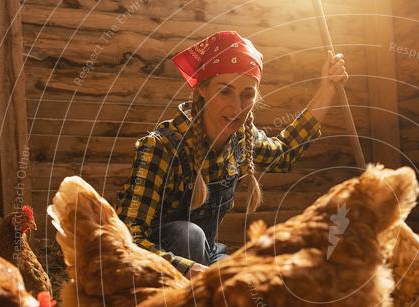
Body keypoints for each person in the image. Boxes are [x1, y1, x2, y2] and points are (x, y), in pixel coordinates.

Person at [115, 31, 348, 277]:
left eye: (247, 95)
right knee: (188, 235)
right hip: (149, 273)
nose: (237, 108)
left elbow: (284, 153)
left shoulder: (240, 140)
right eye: (225, 91)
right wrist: (189, 269)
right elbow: (129, 239)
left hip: (206, 257)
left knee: (247, 284)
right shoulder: (161, 148)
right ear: (202, 88)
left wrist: (327, 88)